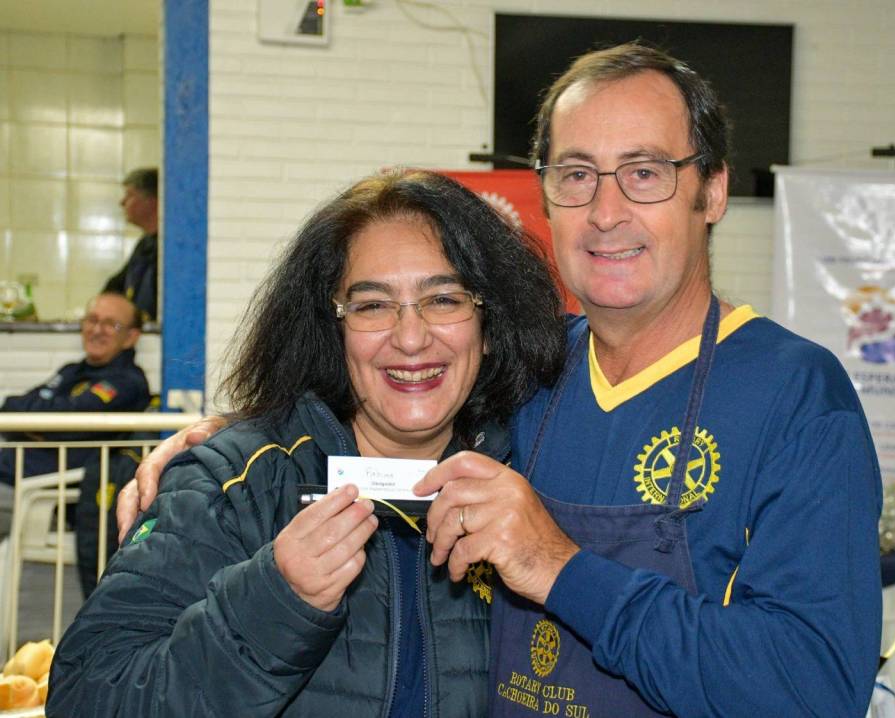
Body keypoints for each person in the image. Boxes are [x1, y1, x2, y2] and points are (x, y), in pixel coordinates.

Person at [117, 42, 883, 717]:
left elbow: (815, 692)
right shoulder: (530, 376)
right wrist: (230, 446)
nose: (606, 211)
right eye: (576, 174)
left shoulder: (794, 397)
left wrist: (560, 568)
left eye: (644, 172)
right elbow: (392, 414)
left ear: (711, 190)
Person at [48, 169, 564, 716]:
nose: (411, 338)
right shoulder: (234, 484)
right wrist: (274, 603)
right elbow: (86, 697)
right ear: (331, 329)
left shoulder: (537, 475)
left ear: (489, 325)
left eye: (443, 299)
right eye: (372, 305)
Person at [0, 292, 151, 485]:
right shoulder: (71, 371)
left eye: (110, 324)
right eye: (92, 320)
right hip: (15, 472)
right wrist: (41, 427)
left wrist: (38, 427)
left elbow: (65, 421)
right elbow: (11, 407)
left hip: (53, 489)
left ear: (130, 337)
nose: (97, 330)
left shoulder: (128, 382)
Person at [104, 167, 159, 321]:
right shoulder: (145, 244)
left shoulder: (169, 248)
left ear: (151, 201)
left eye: (129, 195)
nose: (122, 202)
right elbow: (116, 286)